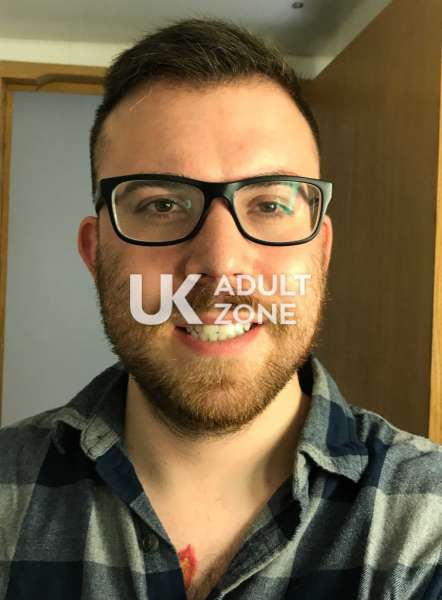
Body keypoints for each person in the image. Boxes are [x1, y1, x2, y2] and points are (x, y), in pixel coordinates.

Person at [0, 18, 441, 600]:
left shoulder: (428, 524)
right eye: (162, 204)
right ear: (95, 251)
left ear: (321, 251)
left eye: (268, 205)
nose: (220, 263)